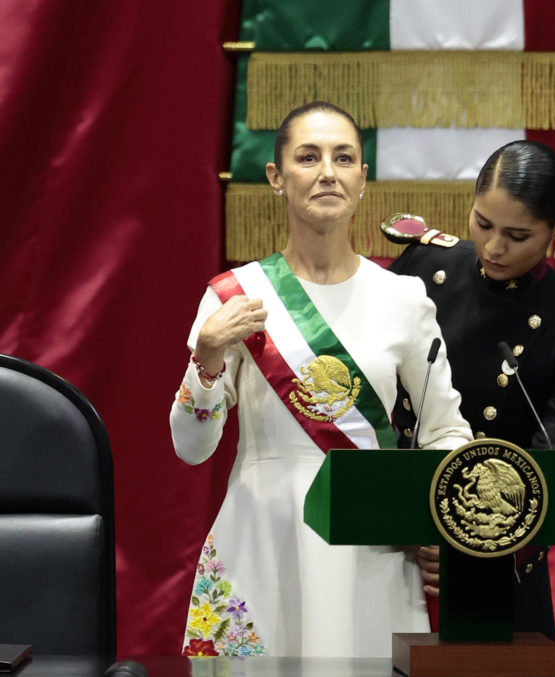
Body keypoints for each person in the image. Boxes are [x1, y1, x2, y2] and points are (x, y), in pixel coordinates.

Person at [170, 101, 472, 658]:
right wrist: (208, 354)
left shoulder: (404, 299)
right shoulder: (234, 297)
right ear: (277, 178)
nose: (328, 171)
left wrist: (442, 523)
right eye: (308, 157)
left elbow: (446, 433)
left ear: (363, 178)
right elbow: (191, 447)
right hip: (264, 542)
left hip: (370, 547)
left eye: (344, 157)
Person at [388, 139, 555, 641]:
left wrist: (468, 545)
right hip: (389, 541)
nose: (494, 248)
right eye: (483, 224)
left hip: (497, 561)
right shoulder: (420, 269)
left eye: (518, 235)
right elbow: (368, 401)